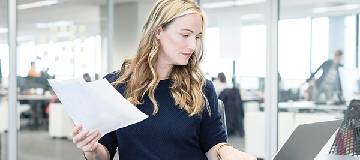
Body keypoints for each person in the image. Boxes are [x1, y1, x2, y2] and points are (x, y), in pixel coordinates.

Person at [72, 0, 256, 160]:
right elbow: (104, 152)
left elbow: (213, 145)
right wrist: (92, 148)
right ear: (158, 31)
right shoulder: (117, 86)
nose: (193, 45)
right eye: (185, 35)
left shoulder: (201, 88)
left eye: (197, 37)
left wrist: (226, 152)